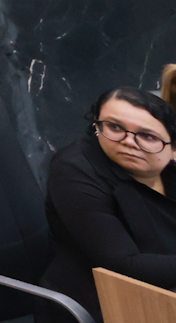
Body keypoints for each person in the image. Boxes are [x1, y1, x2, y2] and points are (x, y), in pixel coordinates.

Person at [41, 87, 176, 319]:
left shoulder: (167, 168)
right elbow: (124, 265)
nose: (129, 142)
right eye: (114, 127)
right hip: (107, 304)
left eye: (147, 136)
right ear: (96, 125)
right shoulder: (73, 171)